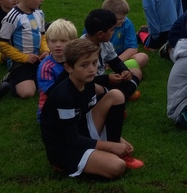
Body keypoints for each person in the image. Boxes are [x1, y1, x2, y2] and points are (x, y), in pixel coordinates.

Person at [39, 39, 143, 178]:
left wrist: (116, 141)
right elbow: (73, 139)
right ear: (69, 68)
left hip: (81, 131)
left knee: (116, 95)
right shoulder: (63, 95)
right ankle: (65, 166)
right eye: (84, 65)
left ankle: (113, 149)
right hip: (65, 147)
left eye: (94, 63)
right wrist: (110, 146)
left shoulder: (87, 82)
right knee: (117, 166)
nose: (92, 69)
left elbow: (91, 114)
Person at [0, 0, 50, 98]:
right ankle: (11, 78)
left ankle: (34, 76)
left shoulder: (39, 13)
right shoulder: (12, 17)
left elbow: (42, 35)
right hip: (20, 61)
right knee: (27, 93)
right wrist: (24, 57)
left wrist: (45, 50)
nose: (42, 0)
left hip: (38, 58)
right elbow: (0, 44)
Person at [82, 8, 143, 101]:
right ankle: (121, 95)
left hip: (104, 81)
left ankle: (118, 96)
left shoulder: (106, 44)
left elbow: (115, 62)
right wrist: (107, 79)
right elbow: (82, 78)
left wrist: (124, 71)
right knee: (94, 88)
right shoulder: (81, 49)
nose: (113, 32)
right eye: (112, 30)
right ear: (100, 34)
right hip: (90, 83)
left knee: (136, 71)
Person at [37, 18, 78, 117]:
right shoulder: (46, 67)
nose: (58, 45)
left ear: (72, 42)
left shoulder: (75, 60)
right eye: (53, 41)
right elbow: (51, 93)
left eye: (63, 41)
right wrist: (67, 71)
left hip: (72, 100)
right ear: (47, 43)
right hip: (51, 110)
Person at [101, 0, 151, 69]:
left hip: (122, 57)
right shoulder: (98, 26)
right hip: (103, 59)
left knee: (142, 57)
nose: (123, 20)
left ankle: (119, 69)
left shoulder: (127, 23)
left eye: (124, 17)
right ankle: (121, 70)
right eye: (119, 19)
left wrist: (115, 62)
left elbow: (132, 49)